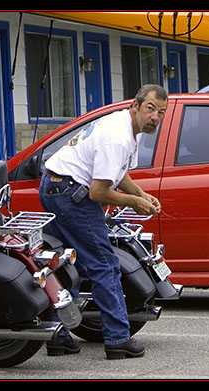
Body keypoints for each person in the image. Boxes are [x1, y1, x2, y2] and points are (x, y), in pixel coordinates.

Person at [39, 84, 167, 359]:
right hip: (70, 192)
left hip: (57, 186)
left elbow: (116, 174)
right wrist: (134, 203)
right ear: (135, 105)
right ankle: (117, 339)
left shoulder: (126, 127)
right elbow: (99, 192)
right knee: (104, 264)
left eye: (161, 112)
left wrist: (142, 194)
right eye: (150, 109)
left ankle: (58, 335)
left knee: (67, 261)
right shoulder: (117, 137)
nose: (155, 117)